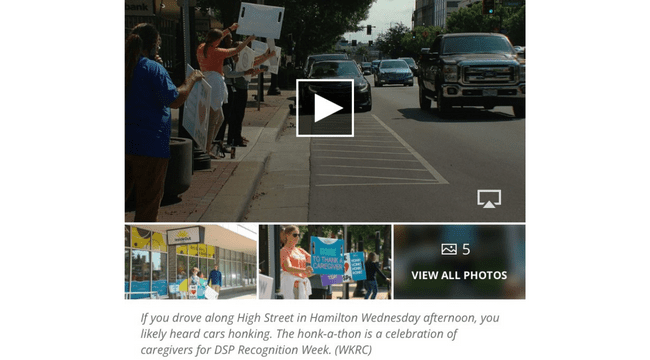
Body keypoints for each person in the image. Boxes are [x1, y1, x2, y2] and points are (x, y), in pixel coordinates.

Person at [125, 23, 204, 222]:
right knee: (147, 204)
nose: (158, 49)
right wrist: (192, 79)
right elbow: (175, 99)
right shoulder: (153, 69)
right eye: (158, 45)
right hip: (150, 145)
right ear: (152, 45)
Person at [196, 24, 256, 158]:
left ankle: (209, 144)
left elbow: (217, 37)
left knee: (221, 117)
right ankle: (207, 148)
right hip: (215, 82)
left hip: (207, 80)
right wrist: (248, 40)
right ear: (217, 41)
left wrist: (230, 29)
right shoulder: (217, 52)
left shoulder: (201, 48)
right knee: (215, 117)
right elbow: (237, 49)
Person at [226, 42, 275, 147]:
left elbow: (252, 65)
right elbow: (253, 63)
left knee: (238, 115)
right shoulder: (235, 60)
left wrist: (265, 57)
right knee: (236, 116)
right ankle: (234, 139)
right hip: (238, 90)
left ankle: (234, 138)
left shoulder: (239, 60)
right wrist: (266, 56)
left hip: (242, 88)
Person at [279, 225, 314, 299]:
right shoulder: (284, 251)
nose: (297, 237)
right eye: (295, 235)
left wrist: (332, 261)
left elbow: (314, 260)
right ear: (287, 235)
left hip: (302, 285)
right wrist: (304, 270)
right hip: (291, 286)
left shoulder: (300, 250)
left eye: (299, 235)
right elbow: (288, 268)